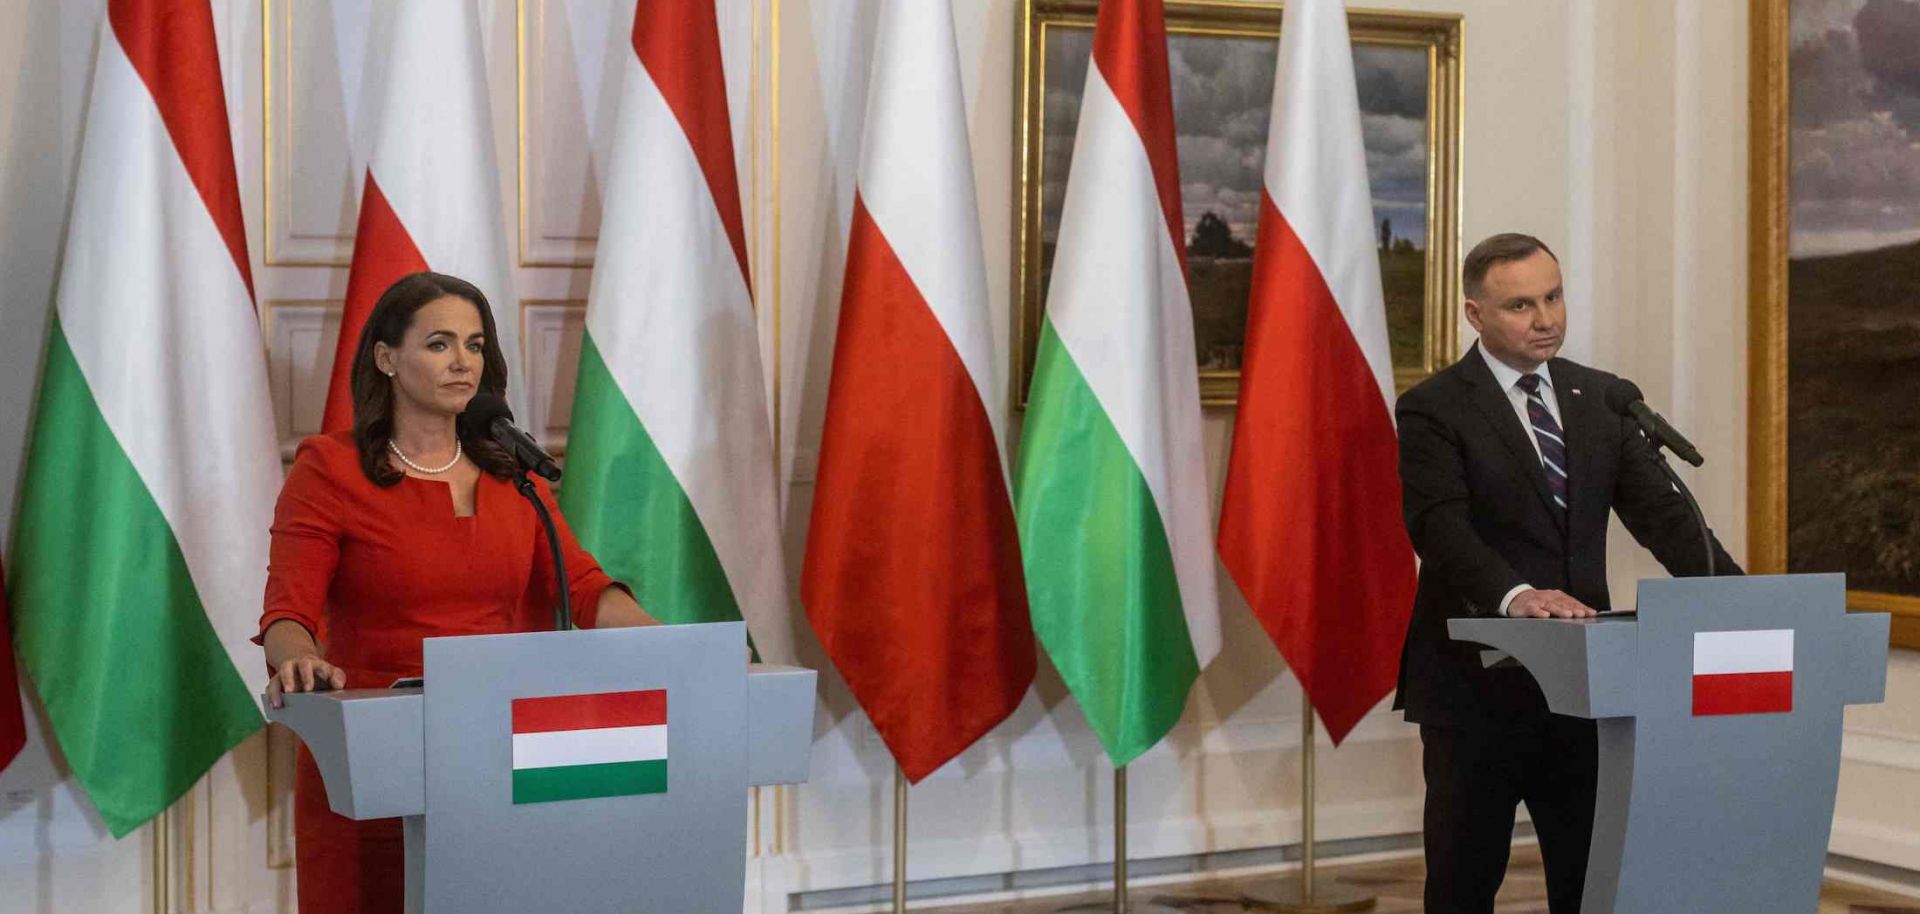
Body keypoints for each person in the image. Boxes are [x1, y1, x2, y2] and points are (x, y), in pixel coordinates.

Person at [255, 271, 659, 914]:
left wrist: (678, 652)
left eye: (474, 345)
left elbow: (582, 587)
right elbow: (288, 610)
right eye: (440, 344)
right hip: (384, 753)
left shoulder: (514, 476)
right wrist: (294, 656)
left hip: (506, 756)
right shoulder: (330, 469)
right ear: (387, 358)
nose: (463, 362)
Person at [1393, 234, 1742, 914]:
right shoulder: (1435, 408)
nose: (1545, 317)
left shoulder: (1599, 399)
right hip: (1476, 687)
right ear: (1475, 314)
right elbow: (1440, 530)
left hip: (1586, 686)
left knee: (1590, 886)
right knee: (1465, 885)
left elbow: (1666, 521)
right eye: (1520, 304)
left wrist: (1746, 601)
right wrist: (1516, 595)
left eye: (1553, 296)